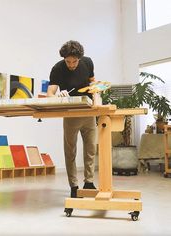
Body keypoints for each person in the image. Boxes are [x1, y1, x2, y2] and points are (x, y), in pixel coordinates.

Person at [47, 40, 97, 198]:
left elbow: (93, 83)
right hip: (70, 113)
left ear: (80, 58)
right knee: (70, 152)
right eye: (68, 61)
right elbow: (50, 93)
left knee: (90, 149)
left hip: (89, 112)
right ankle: (74, 185)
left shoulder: (88, 62)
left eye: (74, 61)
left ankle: (89, 182)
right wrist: (57, 95)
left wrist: (97, 101)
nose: (71, 64)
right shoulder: (57, 69)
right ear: (63, 59)